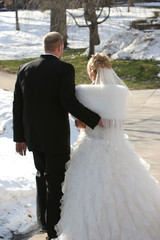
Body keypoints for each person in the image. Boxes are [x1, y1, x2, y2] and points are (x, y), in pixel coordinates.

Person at [56, 53, 160, 240]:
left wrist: (91, 123)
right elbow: (119, 124)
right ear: (108, 68)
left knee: (88, 194)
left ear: (90, 71)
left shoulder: (82, 91)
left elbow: (80, 123)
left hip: (89, 148)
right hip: (116, 148)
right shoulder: (119, 91)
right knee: (128, 189)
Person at [13, 32, 103, 240]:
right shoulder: (64, 69)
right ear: (60, 47)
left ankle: (44, 222)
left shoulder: (24, 69)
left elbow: (18, 105)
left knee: (42, 177)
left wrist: (20, 138)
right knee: (55, 184)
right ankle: (53, 232)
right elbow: (68, 102)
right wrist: (94, 119)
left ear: (45, 46)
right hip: (55, 140)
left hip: (34, 138)